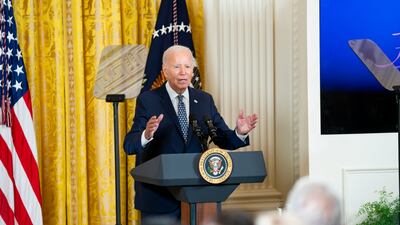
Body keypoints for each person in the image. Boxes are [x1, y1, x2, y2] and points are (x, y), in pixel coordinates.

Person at [124, 45, 258, 222]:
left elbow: (222, 139)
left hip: (199, 196)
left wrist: (240, 133)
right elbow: (129, 145)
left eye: (187, 67)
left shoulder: (204, 99)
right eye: (177, 66)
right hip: (158, 198)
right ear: (165, 71)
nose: (183, 72)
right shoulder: (148, 100)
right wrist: (147, 135)